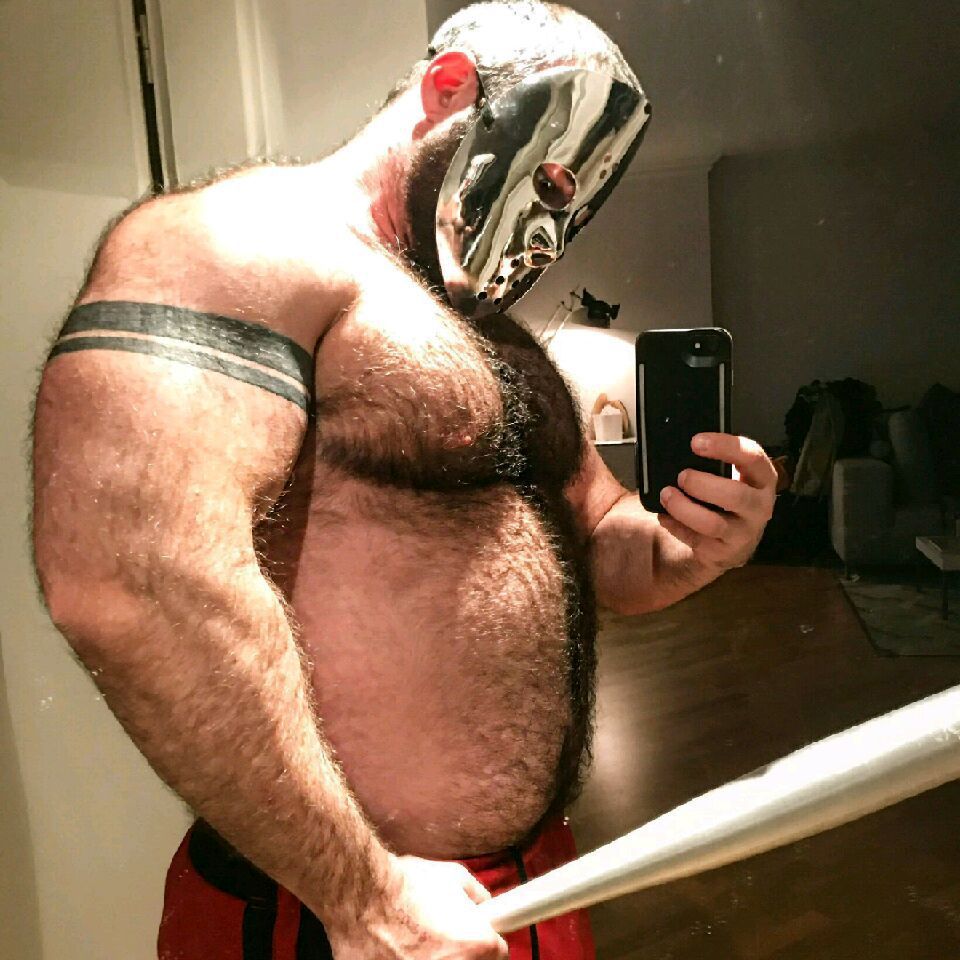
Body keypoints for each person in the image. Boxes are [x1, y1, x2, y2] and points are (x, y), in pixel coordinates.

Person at [31, 3, 777, 958]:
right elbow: (130, 578)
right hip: (335, 912)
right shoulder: (243, 245)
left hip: (530, 884)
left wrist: (690, 547)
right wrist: (360, 894)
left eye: (579, 204)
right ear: (450, 87)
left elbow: (596, 537)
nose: (554, 228)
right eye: (554, 180)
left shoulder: (490, 335)